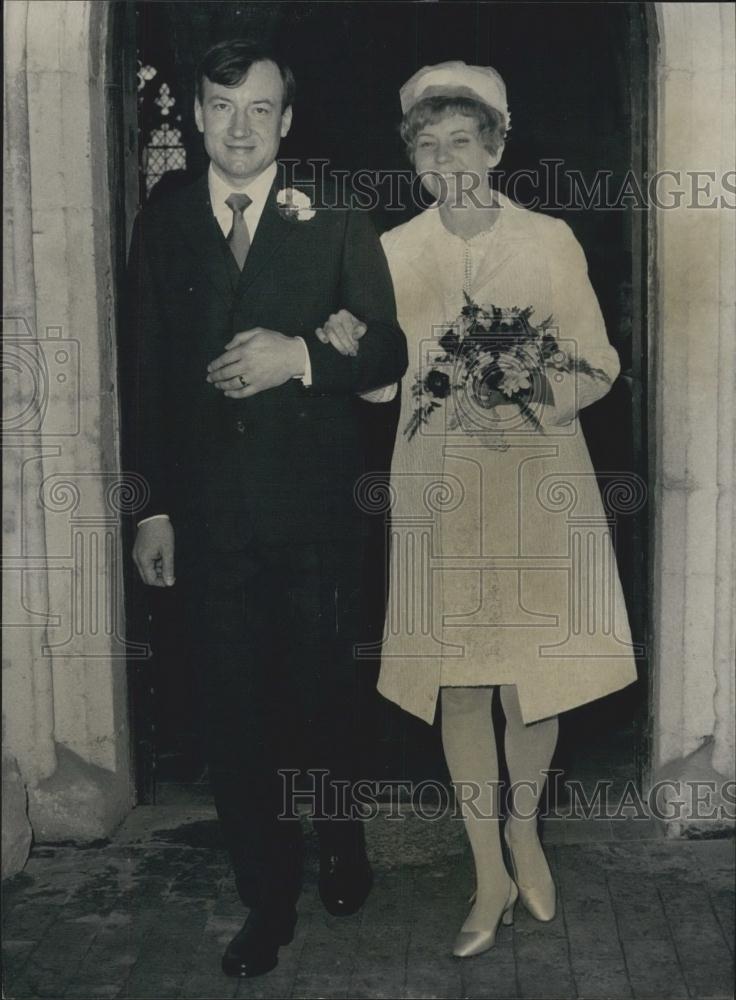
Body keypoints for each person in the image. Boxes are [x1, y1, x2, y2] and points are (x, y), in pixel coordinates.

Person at [316, 60, 638, 958]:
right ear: (413, 159)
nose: (447, 157)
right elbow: (384, 387)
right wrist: (351, 350)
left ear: (497, 145)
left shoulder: (550, 240)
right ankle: (487, 873)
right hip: (441, 487)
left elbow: (599, 362)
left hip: (537, 482)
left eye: (464, 140)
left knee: (530, 678)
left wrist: (525, 378)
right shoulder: (389, 251)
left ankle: (524, 833)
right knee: (459, 679)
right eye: (428, 144)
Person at [123, 39, 407, 978]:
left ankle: (342, 835)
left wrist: (305, 358)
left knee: (323, 700)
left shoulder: (334, 212)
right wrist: (152, 510)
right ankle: (266, 900)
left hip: (319, 515)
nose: (238, 128)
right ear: (198, 114)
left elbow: (387, 350)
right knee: (236, 712)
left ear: (287, 120)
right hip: (211, 522)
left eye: (258, 109)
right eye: (220, 107)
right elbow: (147, 375)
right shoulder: (163, 218)